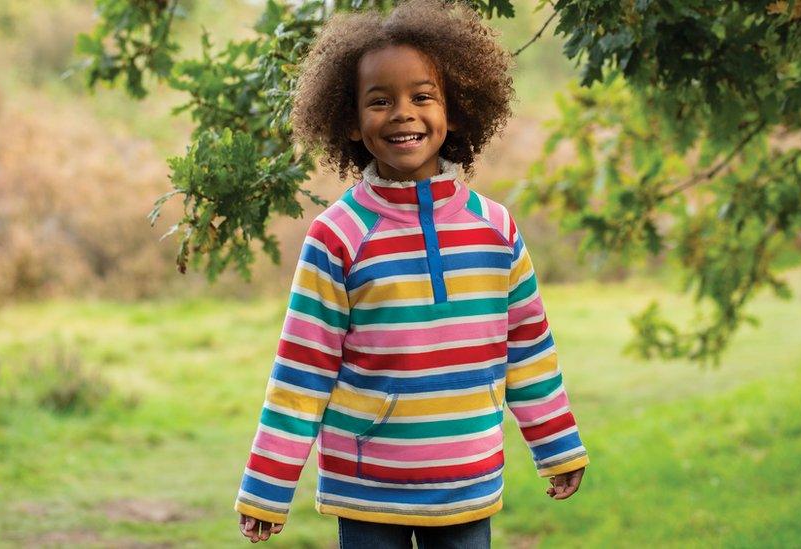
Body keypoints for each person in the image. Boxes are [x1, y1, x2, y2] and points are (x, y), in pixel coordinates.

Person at [234, 0, 589, 545]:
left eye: (423, 96)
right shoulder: (338, 236)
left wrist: (557, 444)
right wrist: (269, 485)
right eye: (380, 101)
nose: (403, 112)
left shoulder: (496, 229)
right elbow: (302, 370)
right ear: (350, 121)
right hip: (368, 487)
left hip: (468, 481)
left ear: (455, 109)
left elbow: (529, 350)